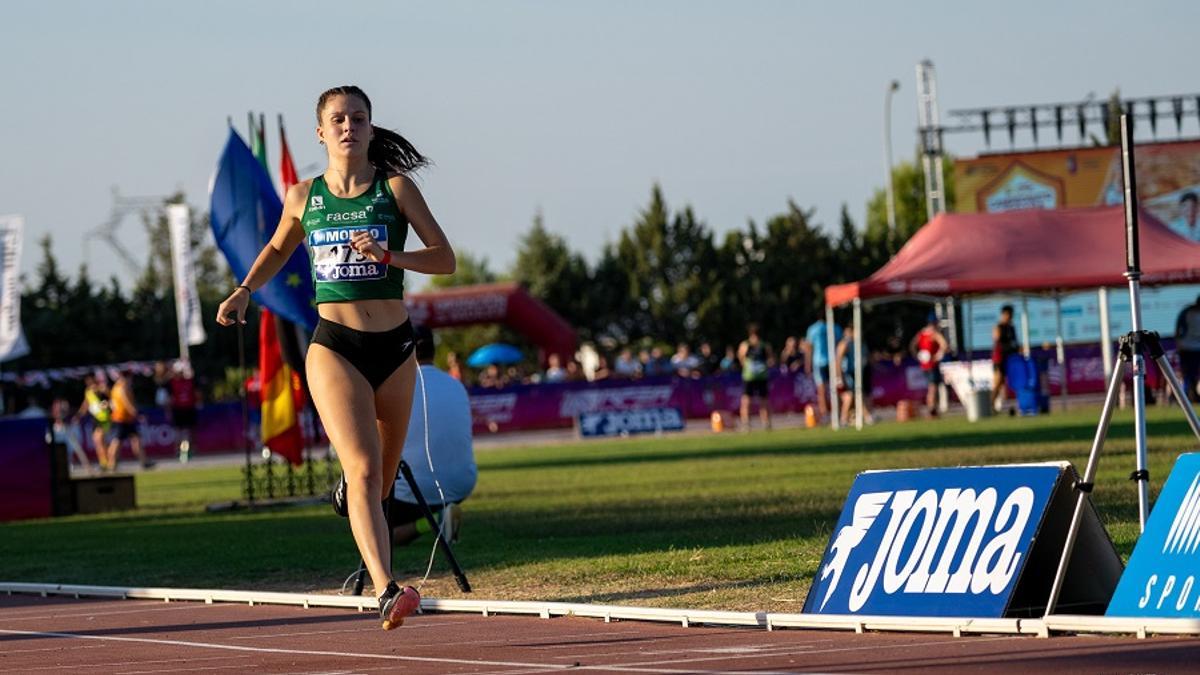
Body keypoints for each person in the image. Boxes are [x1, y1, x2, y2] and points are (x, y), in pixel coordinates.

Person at [216, 85, 455, 631]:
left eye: (359, 118)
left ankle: (357, 505)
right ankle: (386, 589)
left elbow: (445, 258)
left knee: (383, 478)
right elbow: (278, 247)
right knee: (367, 469)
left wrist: (391, 255)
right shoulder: (303, 197)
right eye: (338, 119)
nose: (349, 126)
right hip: (335, 346)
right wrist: (245, 289)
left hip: (395, 348)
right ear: (320, 132)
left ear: (371, 129)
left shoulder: (396, 189)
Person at [378, 326, 477, 546]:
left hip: (415, 490)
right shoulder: (456, 385)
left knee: (377, 535)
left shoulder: (396, 386)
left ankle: (432, 522)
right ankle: (440, 516)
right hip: (461, 483)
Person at [107, 370, 151, 470]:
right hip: (122, 418)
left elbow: (112, 403)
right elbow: (127, 403)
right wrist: (136, 414)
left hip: (125, 419)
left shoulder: (115, 387)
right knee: (117, 442)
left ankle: (144, 461)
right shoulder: (123, 388)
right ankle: (111, 463)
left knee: (136, 439)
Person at [804, 318, 843, 422]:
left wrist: (807, 365)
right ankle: (836, 413)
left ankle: (827, 414)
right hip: (832, 361)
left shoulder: (813, 329)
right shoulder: (835, 327)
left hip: (819, 362)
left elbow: (808, 348)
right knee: (833, 388)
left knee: (822, 390)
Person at [911, 313, 949, 418]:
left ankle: (932, 408)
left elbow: (912, 346)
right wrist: (938, 356)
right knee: (933, 387)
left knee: (931, 387)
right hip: (932, 364)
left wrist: (918, 356)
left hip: (924, 365)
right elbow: (944, 345)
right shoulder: (934, 333)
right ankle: (932, 408)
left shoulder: (922, 333)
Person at [738, 323, 774, 431]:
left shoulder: (764, 345)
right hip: (749, 377)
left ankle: (766, 422)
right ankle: (746, 423)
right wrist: (748, 367)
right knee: (746, 400)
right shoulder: (746, 345)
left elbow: (770, 358)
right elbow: (741, 357)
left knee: (764, 400)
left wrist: (765, 365)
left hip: (762, 376)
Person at [74, 374, 112, 471]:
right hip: (96, 419)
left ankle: (108, 462)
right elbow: (86, 404)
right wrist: (79, 415)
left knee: (100, 440)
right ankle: (104, 463)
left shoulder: (101, 388)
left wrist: (104, 401)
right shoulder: (88, 391)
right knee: (98, 442)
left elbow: (110, 399)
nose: (89, 382)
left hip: (105, 418)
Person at [991, 304, 1020, 412]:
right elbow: (996, 340)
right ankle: (990, 405)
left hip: (1010, 358)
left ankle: (1006, 406)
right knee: (998, 382)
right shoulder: (999, 327)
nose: (1011, 317)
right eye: (1009, 315)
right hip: (999, 358)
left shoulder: (1011, 327)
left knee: (1007, 383)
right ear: (1004, 314)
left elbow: (1015, 343)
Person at [169, 361, 199, 463]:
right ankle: (180, 452)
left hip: (188, 409)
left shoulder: (189, 381)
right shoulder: (172, 383)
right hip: (179, 410)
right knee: (181, 433)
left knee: (186, 433)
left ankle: (184, 452)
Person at [1176, 294, 1200, 403]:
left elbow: (1178, 329)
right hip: (1190, 347)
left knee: (1188, 374)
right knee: (1188, 375)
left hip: (1186, 347)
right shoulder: (1187, 312)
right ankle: (1186, 396)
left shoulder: (1186, 311)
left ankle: (1187, 396)